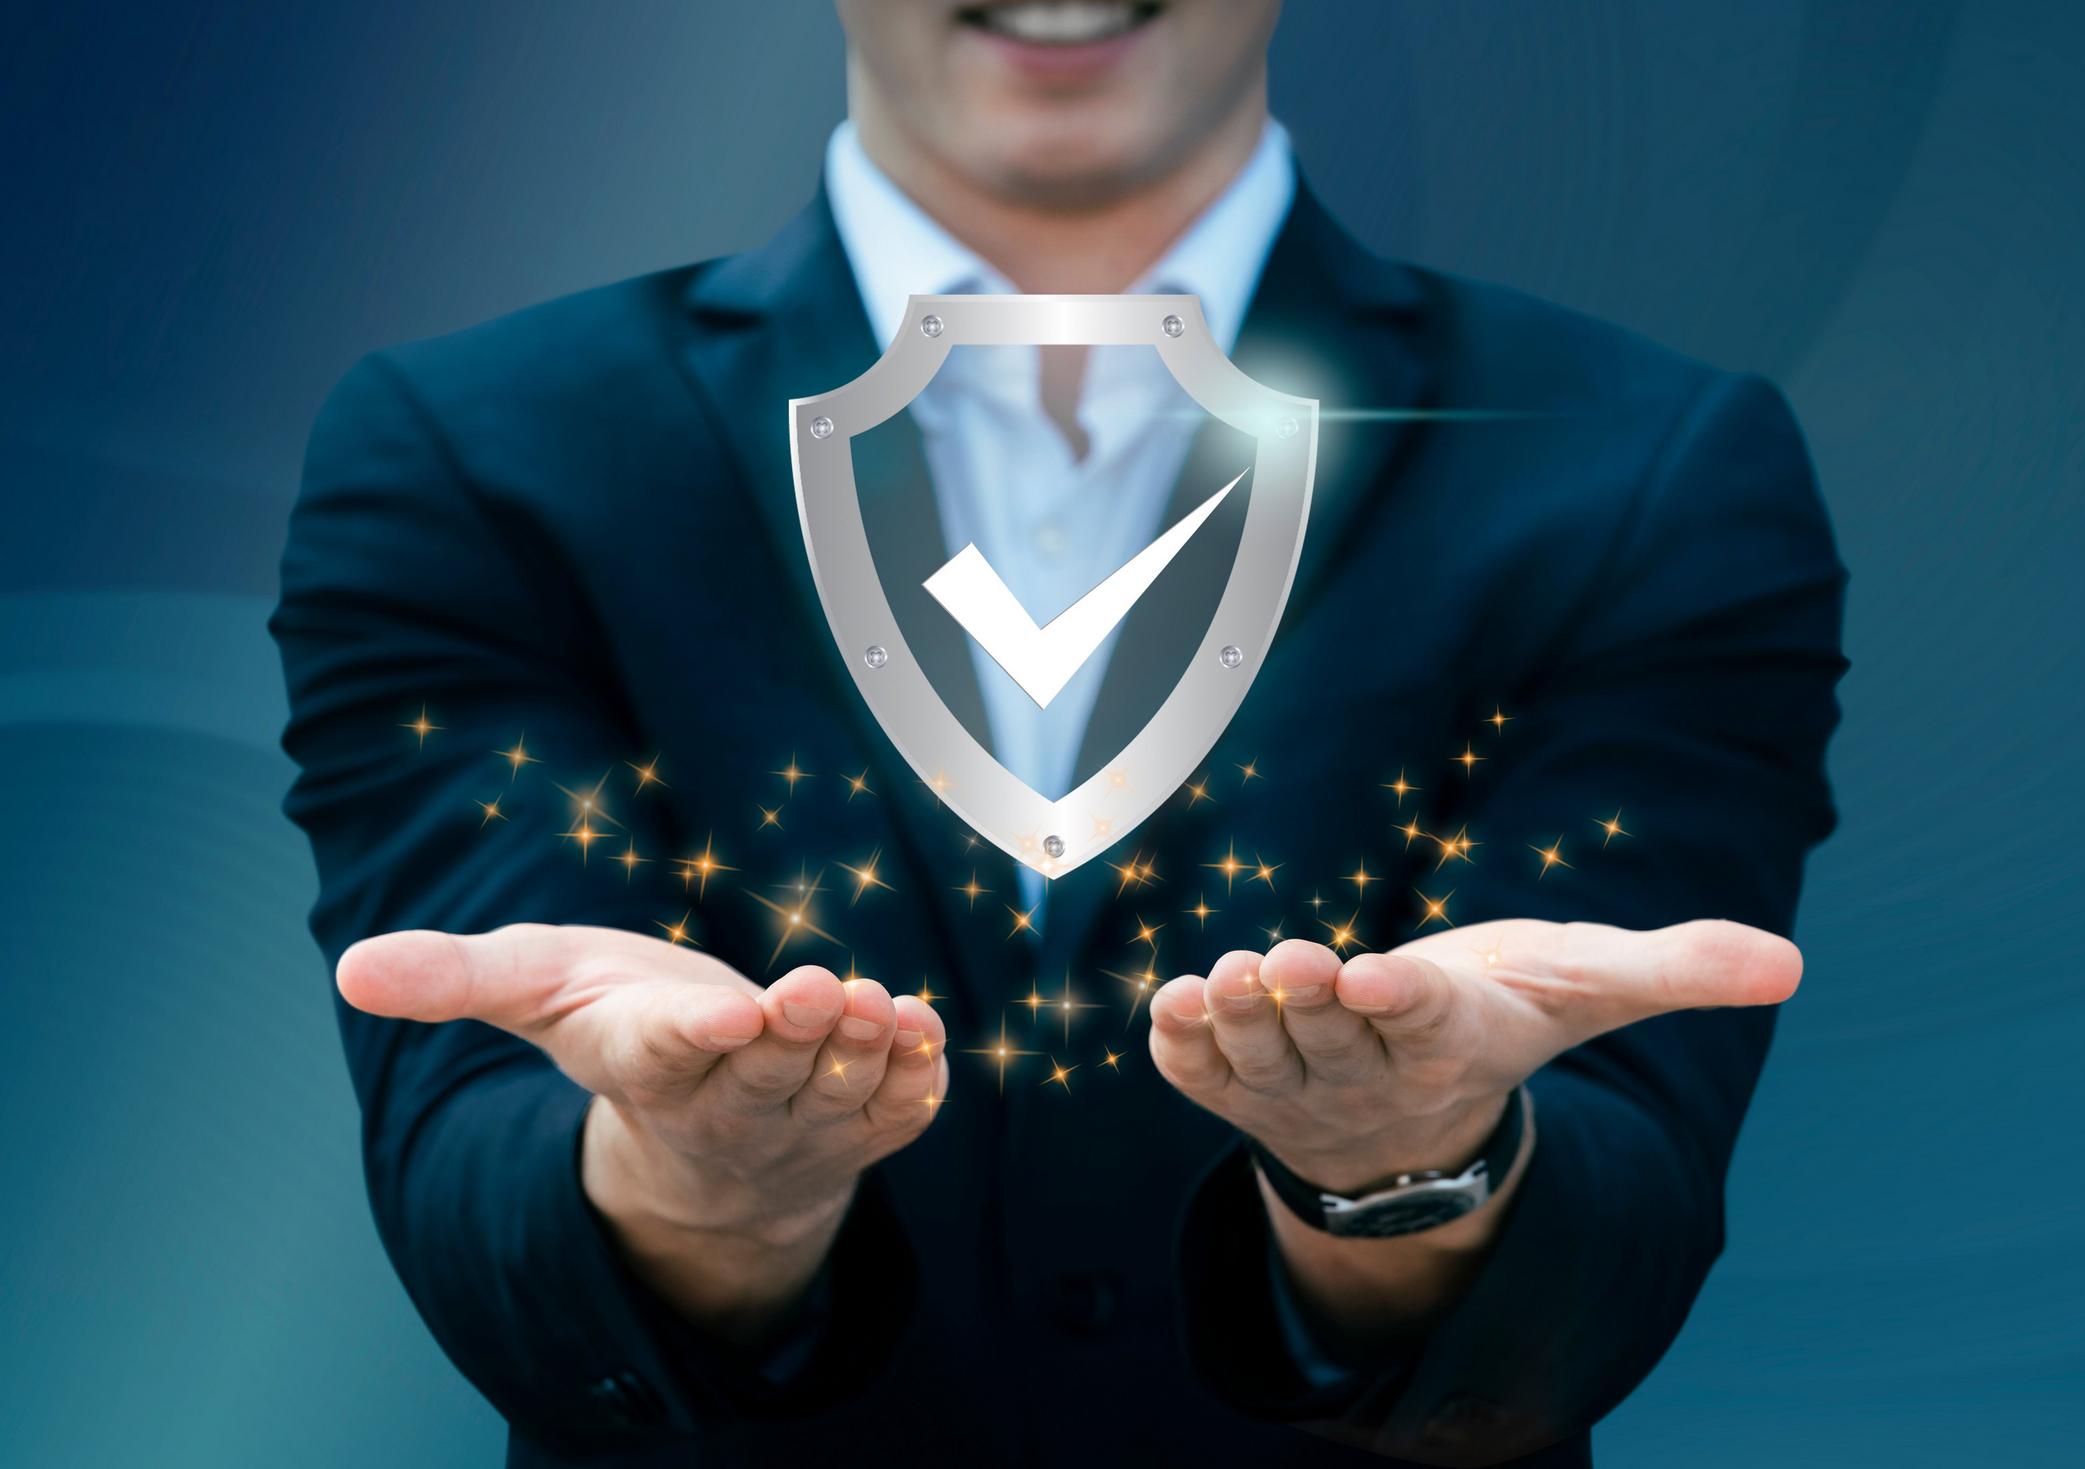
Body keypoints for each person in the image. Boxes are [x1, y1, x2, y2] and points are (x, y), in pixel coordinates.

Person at [273, 2, 1846, 1465]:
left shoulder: (1646, 469)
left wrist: (1406, 1164)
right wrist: (699, 1192)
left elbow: (1611, 1230)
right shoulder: (472, 458)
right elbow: (478, 1163)